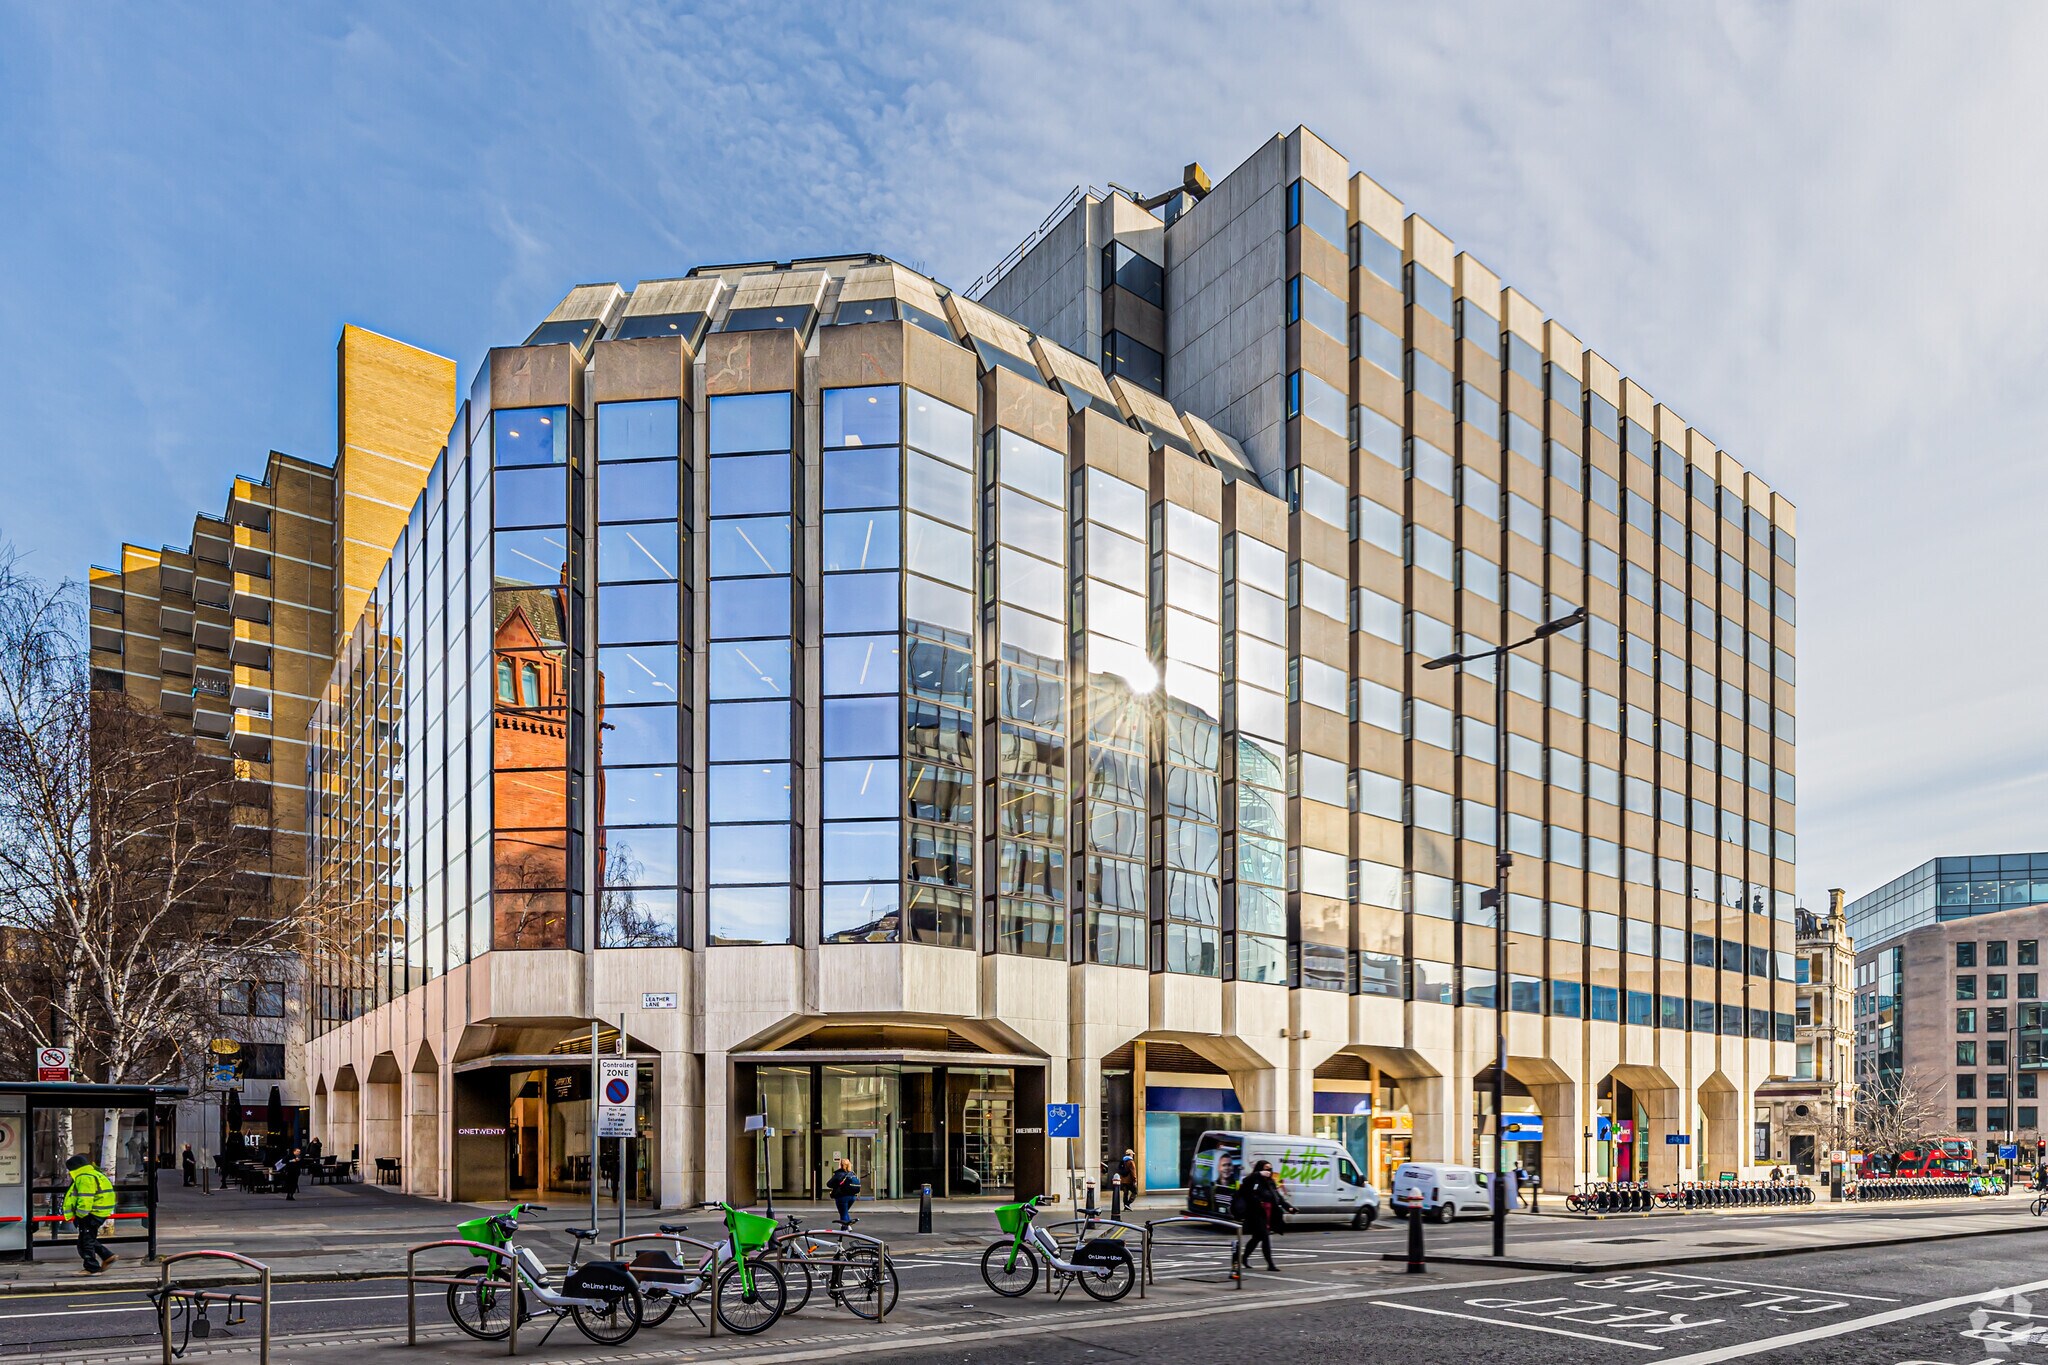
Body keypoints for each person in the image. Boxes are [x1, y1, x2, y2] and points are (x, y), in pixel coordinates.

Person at [1231, 1159, 1291, 1271]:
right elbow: (1246, 1181)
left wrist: (1288, 1207)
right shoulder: (1253, 1180)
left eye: (1270, 1169)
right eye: (1266, 1169)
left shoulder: (1271, 1182)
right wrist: (1258, 1174)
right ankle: (1270, 1264)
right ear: (1260, 1170)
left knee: (1256, 1238)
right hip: (1256, 1214)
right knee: (1265, 1237)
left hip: (1268, 1214)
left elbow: (1277, 1197)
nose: (1268, 1171)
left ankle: (1244, 1258)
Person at [63, 1153, 117, 1275]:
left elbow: (85, 1198)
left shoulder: (84, 1177)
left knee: (85, 1242)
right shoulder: (95, 1174)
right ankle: (108, 1256)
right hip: (99, 1213)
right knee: (88, 1239)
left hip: (90, 1214)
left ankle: (91, 1268)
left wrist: (81, 1215)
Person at [826, 1157, 860, 1228]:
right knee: (844, 1212)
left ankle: (845, 1229)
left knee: (843, 1213)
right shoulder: (852, 1174)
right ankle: (847, 1226)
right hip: (853, 1196)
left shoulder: (838, 1174)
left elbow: (829, 1184)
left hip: (842, 1196)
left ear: (841, 1165)